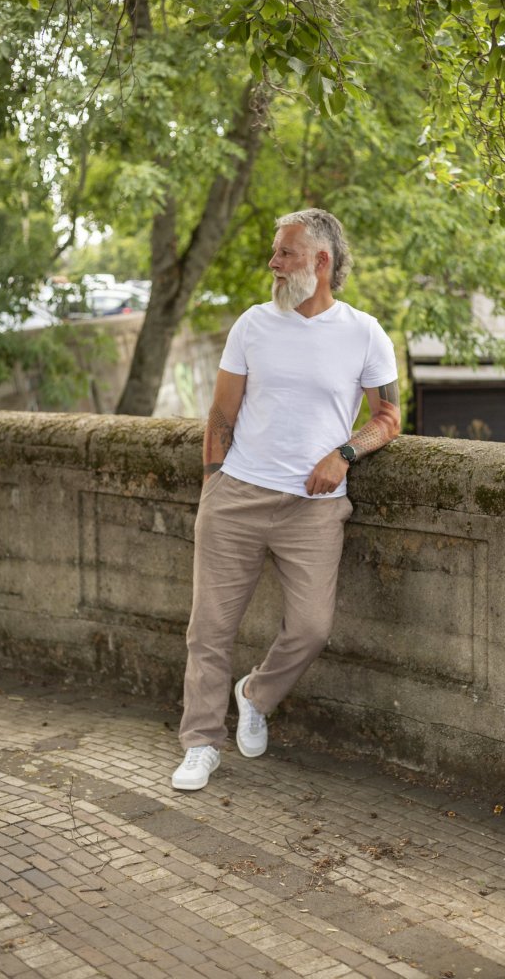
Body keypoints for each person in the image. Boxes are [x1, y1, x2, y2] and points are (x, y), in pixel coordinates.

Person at [172, 208, 400, 790]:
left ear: (321, 262)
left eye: (286, 253)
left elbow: (388, 417)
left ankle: (255, 693)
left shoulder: (364, 332)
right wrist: (213, 490)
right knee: (209, 632)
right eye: (275, 252)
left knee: (311, 628)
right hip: (238, 497)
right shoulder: (252, 324)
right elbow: (221, 415)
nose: (273, 263)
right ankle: (200, 742)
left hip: (315, 509)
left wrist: (343, 455)